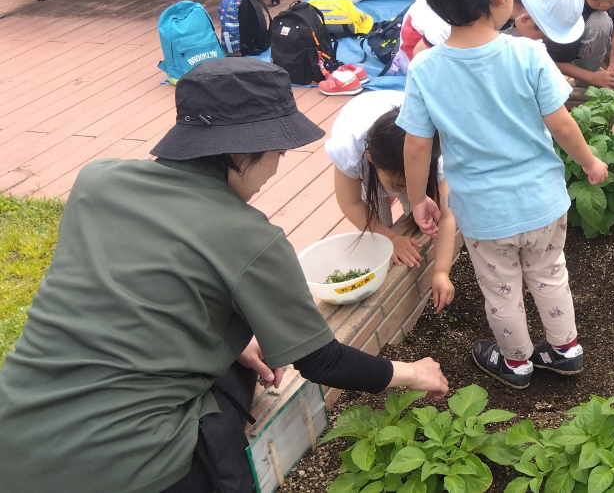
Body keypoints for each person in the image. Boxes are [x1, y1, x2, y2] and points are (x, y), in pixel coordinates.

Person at [0, 58, 448, 493]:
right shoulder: (250, 238)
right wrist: (414, 372)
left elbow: (127, 287)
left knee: (236, 369)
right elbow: (321, 361)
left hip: (15, 436)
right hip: (131, 466)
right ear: (241, 150)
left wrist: (229, 342)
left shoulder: (96, 181)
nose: (276, 167)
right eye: (277, 152)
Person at [396, 0, 609, 389]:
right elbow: (561, 123)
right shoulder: (529, 54)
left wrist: (418, 199)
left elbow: (417, 144)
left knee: (501, 290)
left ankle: (516, 363)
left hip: (484, 214)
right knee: (549, 274)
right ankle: (565, 350)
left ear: (433, 3)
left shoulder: (425, 68)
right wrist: (590, 163)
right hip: (543, 203)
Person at [326, 89, 458, 312]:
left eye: (414, 183)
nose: (408, 191)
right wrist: (391, 237)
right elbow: (351, 203)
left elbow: (446, 216)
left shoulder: (435, 153)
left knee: (417, 212)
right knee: (378, 221)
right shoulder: (351, 150)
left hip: (399, 128)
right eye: (399, 185)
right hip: (365, 119)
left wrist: (441, 272)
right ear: (370, 159)